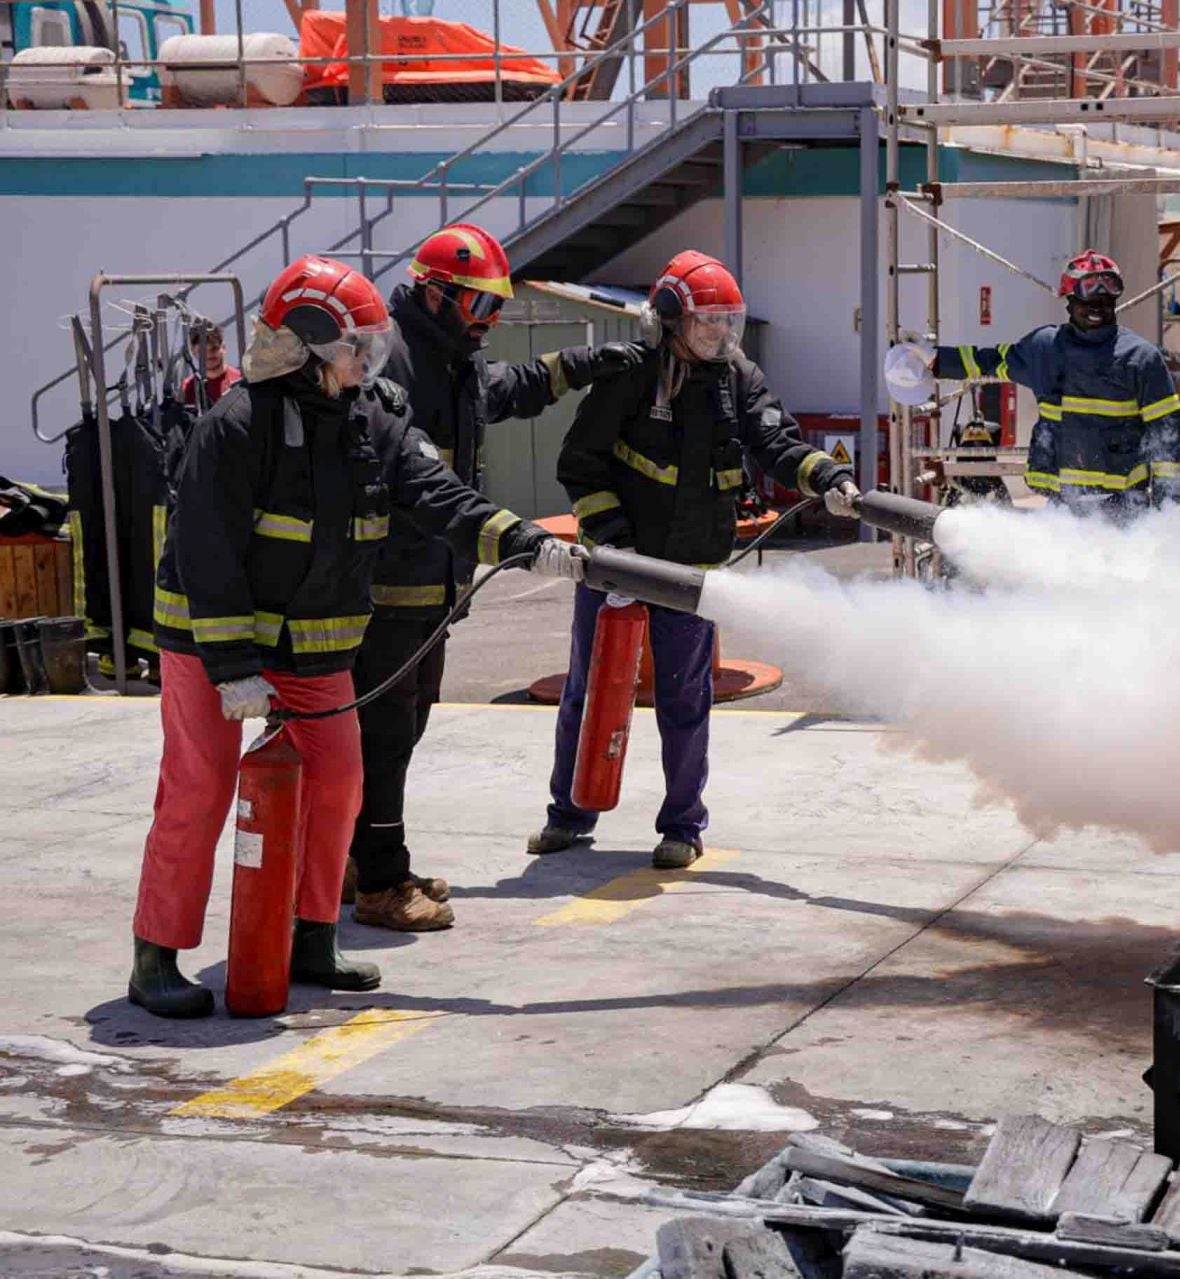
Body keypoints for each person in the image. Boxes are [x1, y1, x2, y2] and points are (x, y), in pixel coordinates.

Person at [129, 254, 582, 1019]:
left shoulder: (374, 417)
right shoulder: (234, 426)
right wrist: (234, 666)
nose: (369, 359)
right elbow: (206, 553)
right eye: (356, 346)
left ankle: (311, 936)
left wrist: (519, 539)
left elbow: (438, 495)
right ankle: (156, 956)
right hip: (209, 643)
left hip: (313, 643)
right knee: (199, 789)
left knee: (340, 781)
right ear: (308, 345)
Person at [346, 222, 653, 933]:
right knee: (385, 736)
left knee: (401, 730)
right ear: (435, 294)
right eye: (479, 305)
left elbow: (505, 389)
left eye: (497, 308)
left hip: (429, 583)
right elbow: (421, 488)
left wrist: (584, 363)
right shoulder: (396, 364)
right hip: (390, 587)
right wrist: (512, 535)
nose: (488, 321)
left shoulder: (447, 355)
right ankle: (381, 881)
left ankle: (358, 858)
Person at [528, 249, 857, 869]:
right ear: (670, 318)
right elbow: (580, 464)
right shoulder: (630, 373)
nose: (719, 332)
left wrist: (828, 478)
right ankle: (568, 814)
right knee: (590, 691)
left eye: (727, 319)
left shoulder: (739, 377)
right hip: (617, 567)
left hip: (691, 574)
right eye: (707, 320)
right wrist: (616, 543)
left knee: (684, 700)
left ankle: (681, 826)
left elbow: (776, 440)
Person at [885, 250, 1180, 515]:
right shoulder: (1044, 348)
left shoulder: (1141, 358)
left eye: (1106, 298)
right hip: (1062, 509)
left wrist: (1164, 508)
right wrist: (936, 360)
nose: (1098, 305)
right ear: (1070, 300)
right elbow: (988, 361)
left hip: (1124, 508)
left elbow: (1167, 435)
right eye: (1090, 297)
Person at [179, 320, 243, 409]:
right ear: (193, 352)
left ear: (223, 348)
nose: (209, 355)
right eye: (202, 351)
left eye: (214, 348)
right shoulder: (187, 388)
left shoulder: (240, 381)